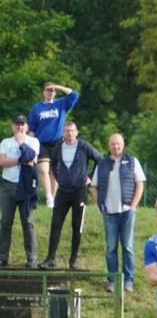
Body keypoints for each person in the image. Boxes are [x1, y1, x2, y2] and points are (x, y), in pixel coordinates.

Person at [41, 121, 102, 269]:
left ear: (77, 132)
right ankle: (50, 259)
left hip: (79, 192)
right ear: (63, 133)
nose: (69, 133)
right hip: (63, 191)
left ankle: (73, 260)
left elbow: (100, 158)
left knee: (77, 226)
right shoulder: (59, 147)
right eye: (66, 131)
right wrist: (59, 177)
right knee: (56, 223)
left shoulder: (83, 146)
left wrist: (90, 177)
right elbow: (53, 164)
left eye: (72, 130)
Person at [91, 133, 145, 293]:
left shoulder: (132, 161)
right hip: (109, 213)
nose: (116, 146)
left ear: (123, 144)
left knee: (128, 247)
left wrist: (133, 206)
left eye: (119, 143)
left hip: (127, 211)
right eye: (113, 144)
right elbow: (94, 187)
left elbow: (140, 184)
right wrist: (101, 206)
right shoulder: (102, 164)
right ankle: (112, 280)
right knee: (111, 248)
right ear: (109, 145)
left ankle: (128, 280)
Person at [28, 82, 79, 209]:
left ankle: (53, 198)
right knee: (44, 170)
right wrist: (31, 144)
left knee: (55, 171)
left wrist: (59, 87)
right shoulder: (37, 108)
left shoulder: (60, 104)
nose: (50, 92)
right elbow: (32, 129)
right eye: (47, 90)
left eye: (52, 90)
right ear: (43, 92)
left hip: (57, 142)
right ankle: (48, 197)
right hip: (42, 143)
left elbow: (74, 95)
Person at [0, 115, 40, 267]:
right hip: (8, 184)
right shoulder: (5, 142)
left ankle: (32, 259)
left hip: (26, 186)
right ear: (13, 126)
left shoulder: (33, 142)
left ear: (27, 127)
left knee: (28, 223)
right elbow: (2, 161)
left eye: (22, 124)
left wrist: (21, 143)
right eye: (17, 124)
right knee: (5, 222)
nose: (20, 127)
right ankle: (2, 257)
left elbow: (31, 159)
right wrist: (20, 160)